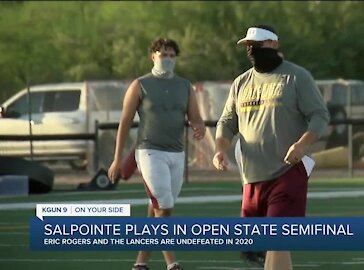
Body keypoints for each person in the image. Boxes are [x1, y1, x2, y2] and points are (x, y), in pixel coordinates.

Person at [213, 25, 330, 270]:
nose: (252, 49)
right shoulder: (241, 82)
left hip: (287, 171)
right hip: (252, 176)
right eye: (249, 45)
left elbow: (319, 115)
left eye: (258, 44)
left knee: (277, 239)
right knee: (266, 245)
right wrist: (220, 149)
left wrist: (302, 144)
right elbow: (227, 121)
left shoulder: (296, 76)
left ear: (274, 44)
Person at [108, 37, 206, 270]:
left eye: (172, 55)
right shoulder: (140, 84)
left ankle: (140, 263)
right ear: (153, 56)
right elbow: (124, 122)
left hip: (177, 153)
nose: (168, 59)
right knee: (164, 204)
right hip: (149, 151)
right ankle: (172, 264)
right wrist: (117, 159)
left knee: (158, 209)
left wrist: (199, 126)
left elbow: (195, 117)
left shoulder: (184, 86)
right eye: (163, 54)